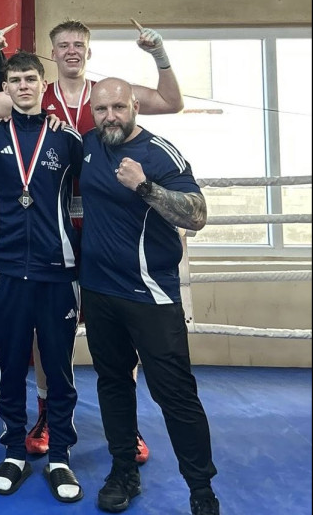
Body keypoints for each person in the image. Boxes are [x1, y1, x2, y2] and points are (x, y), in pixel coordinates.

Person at [0, 19, 184, 462]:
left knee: (118, 321)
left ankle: (127, 423)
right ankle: (46, 413)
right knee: (45, 328)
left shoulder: (109, 94)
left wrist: (159, 54)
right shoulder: (34, 91)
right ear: (53, 52)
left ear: (88, 50)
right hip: (51, 224)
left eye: (78, 44)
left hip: (104, 220)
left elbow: (170, 102)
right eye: (63, 44)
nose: (71, 50)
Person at [81, 77, 219, 515]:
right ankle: (124, 471)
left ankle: (201, 490)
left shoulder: (158, 153)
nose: (110, 117)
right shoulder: (88, 144)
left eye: (118, 107)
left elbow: (197, 215)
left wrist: (145, 187)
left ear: (135, 107)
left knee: (175, 393)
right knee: (113, 383)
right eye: (101, 110)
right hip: (100, 292)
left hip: (151, 295)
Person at [0, 47, 86, 502]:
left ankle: (60, 456)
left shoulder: (67, 138)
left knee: (59, 369)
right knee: (11, 367)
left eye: (30, 79)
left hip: (59, 270)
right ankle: (15, 450)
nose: (23, 86)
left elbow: (95, 188)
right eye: (15, 80)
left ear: (43, 85)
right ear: (6, 88)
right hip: (7, 269)